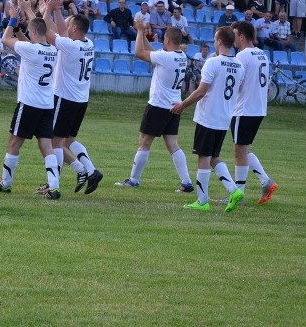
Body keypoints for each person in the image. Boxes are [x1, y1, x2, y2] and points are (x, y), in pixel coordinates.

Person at [171, 26, 245, 212]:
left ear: (219, 41)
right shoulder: (239, 65)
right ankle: (233, 190)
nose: (213, 42)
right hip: (224, 117)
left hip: (209, 116)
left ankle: (203, 201)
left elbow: (201, 91)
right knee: (214, 157)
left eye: (214, 39)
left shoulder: (213, 63)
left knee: (203, 157)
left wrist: (182, 105)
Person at [116, 23, 194, 192]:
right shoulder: (181, 56)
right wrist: (143, 34)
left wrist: (138, 31)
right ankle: (186, 182)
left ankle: (134, 180)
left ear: (166, 40)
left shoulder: (166, 57)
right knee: (173, 144)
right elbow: (154, 54)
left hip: (158, 105)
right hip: (174, 105)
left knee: (144, 142)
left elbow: (139, 53)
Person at [0, 0, 60, 199]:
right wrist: (27, 14)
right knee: (46, 145)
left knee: (14, 143)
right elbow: (34, 38)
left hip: (28, 103)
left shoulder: (31, 49)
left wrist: (13, 20)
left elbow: (6, 40)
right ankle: (54, 185)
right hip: (46, 105)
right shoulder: (52, 49)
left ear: (32, 33)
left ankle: (6, 184)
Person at [40, 0, 104, 194]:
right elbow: (61, 31)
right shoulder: (88, 43)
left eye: (69, 25)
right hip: (81, 100)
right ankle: (91, 171)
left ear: (75, 29)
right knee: (68, 140)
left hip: (65, 98)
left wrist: (48, 9)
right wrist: (58, 10)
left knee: (54, 142)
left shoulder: (71, 46)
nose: (66, 27)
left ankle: (54, 184)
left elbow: (46, 32)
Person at [229, 21, 278, 206]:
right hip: (259, 108)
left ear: (241, 36)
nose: (233, 39)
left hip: (244, 108)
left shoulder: (243, 56)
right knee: (244, 149)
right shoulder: (262, 54)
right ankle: (265, 181)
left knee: (239, 150)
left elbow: (237, 84)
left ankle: (239, 194)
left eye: (235, 35)